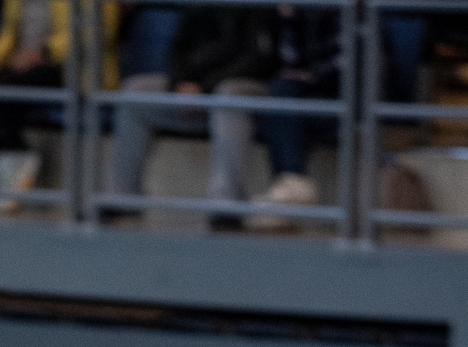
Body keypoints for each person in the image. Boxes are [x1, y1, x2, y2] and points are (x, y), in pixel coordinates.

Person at [106, 6, 276, 229]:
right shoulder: (198, 6)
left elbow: (257, 60)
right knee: (135, 92)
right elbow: (177, 49)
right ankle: (123, 197)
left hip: (242, 91)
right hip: (195, 92)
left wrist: (204, 88)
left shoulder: (259, 8)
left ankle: (226, 202)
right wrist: (180, 83)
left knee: (229, 94)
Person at [0, 0, 120, 210]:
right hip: (22, 67)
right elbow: (10, 34)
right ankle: (14, 155)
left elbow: (97, 30)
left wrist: (43, 52)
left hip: (69, 70)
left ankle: (15, 161)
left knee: (4, 92)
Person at [248, 2, 340, 230]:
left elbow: (353, 65)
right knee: (278, 97)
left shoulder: (345, 10)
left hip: (342, 102)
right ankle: (290, 183)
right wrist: (288, 20)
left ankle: (290, 181)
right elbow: (282, 62)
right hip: (299, 99)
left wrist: (312, 76)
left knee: (282, 97)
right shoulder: (289, 15)